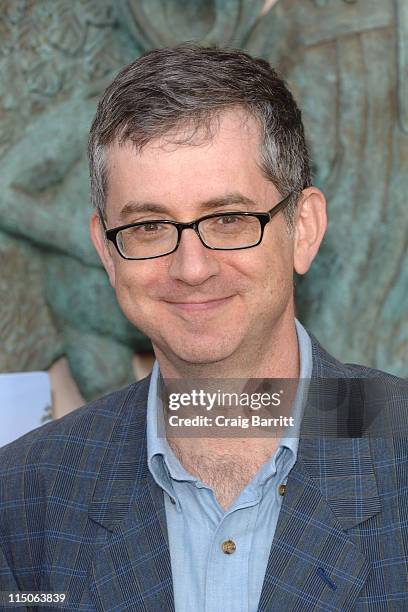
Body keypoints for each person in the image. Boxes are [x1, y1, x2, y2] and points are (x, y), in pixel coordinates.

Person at [0, 43, 407, 612]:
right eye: (148, 226)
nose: (191, 268)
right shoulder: (21, 496)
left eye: (229, 218)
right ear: (107, 253)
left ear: (305, 229)